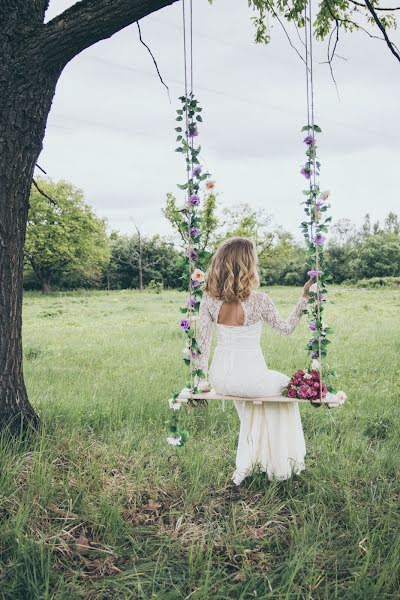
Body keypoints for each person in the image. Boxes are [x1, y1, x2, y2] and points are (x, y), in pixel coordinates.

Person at [196, 236, 314, 485]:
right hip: (251, 381)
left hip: (221, 380)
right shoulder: (260, 300)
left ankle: (251, 461)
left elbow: (202, 346)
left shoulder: (208, 299)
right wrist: (304, 297)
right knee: (288, 388)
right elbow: (285, 329)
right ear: (248, 265)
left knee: (255, 406)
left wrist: (201, 383)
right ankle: (281, 463)